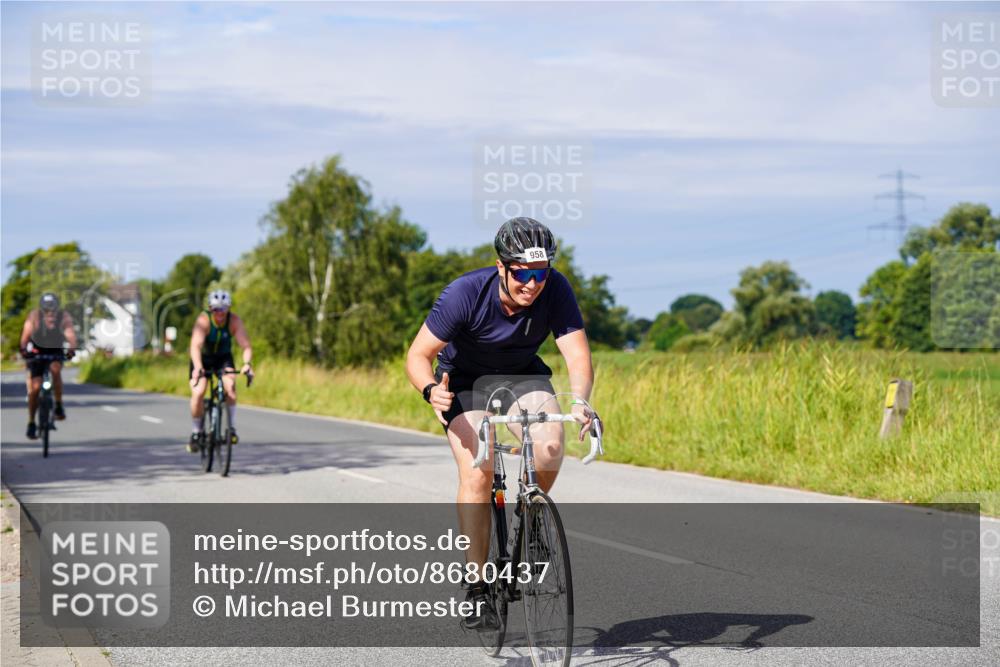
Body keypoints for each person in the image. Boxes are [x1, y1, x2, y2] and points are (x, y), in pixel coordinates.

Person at [405, 217, 597, 630]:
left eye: (540, 273)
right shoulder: (464, 294)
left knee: (550, 444)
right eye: (522, 273)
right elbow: (417, 355)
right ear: (501, 267)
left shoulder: (556, 288)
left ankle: (530, 521)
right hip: (466, 382)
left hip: (523, 375)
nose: (532, 284)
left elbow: (577, 356)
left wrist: (581, 401)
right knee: (480, 465)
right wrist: (428, 389)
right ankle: (476, 588)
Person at [187, 290, 253, 452]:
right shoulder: (204, 321)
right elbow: (195, 346)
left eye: (223, 309)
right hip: (202, 359)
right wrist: (197, 367)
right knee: (199, 392)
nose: (220, 313)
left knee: (230, 387)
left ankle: (231, 428)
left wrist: (247, 364)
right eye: (216, 309)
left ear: (228, 308)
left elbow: (246, 346)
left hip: (223, 358)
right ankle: (196, 431)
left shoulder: (234, 321)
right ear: (210, 309)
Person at [20, 292, 77, 439]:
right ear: (41, 309)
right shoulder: (34, 317)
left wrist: (71, 348)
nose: (50, 313)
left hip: (55, 352)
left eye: (53, 309)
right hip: (37, 354)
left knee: (55, 370)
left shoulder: (63, 317)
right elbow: (25, 336)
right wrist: (23, 349)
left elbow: (70, 333)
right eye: (46, 310)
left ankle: (58, 404)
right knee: (35, 388)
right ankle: (32, 422)